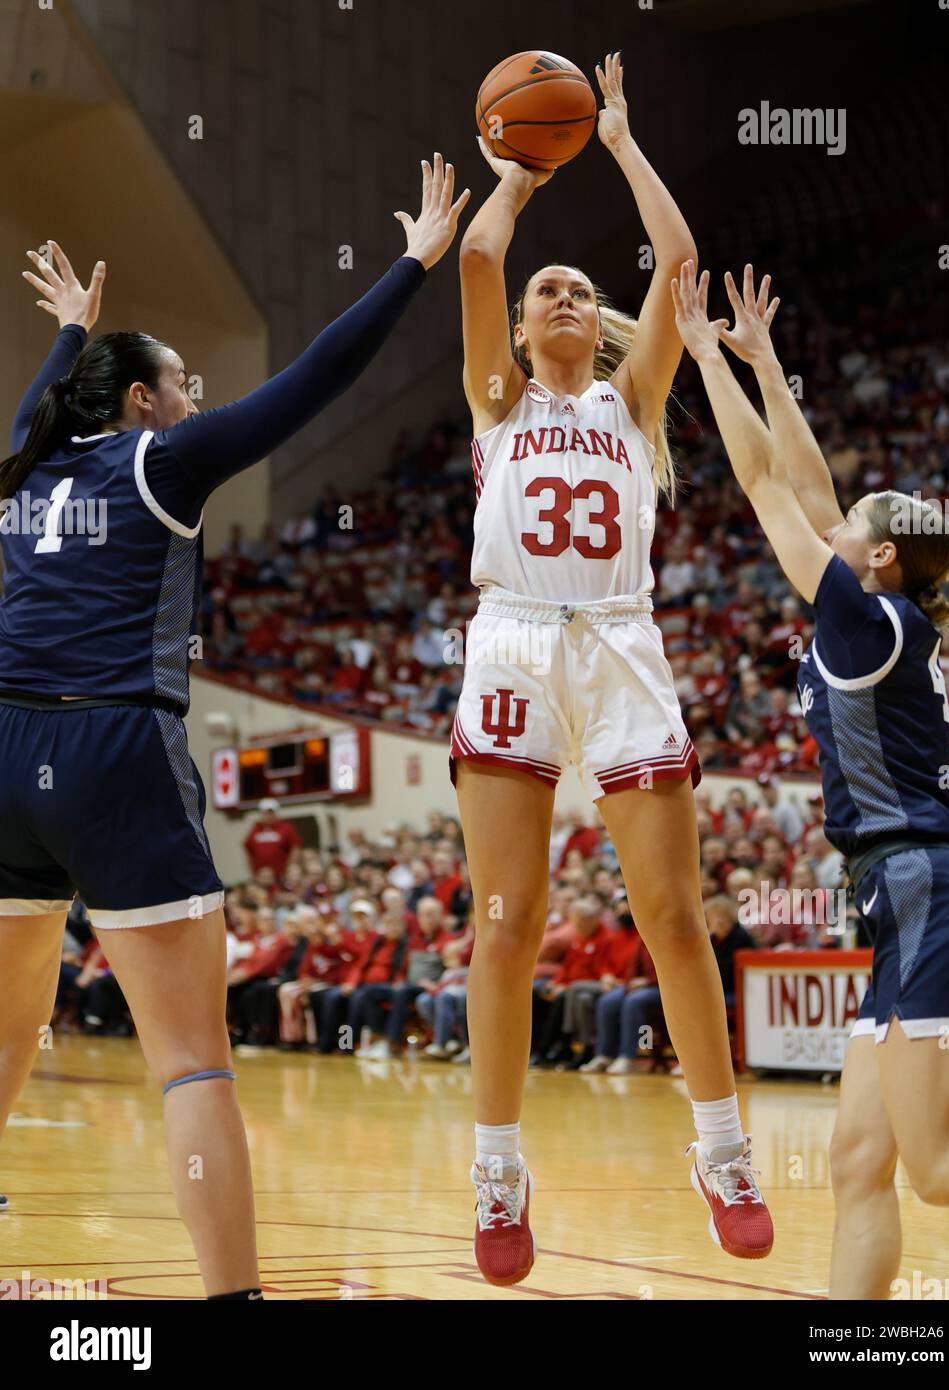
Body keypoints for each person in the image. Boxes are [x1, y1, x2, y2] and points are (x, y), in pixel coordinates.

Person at [0, 158, 468, 1301]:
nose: (199, 394)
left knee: (8, 1031)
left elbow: (34, 409)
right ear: (142, 404)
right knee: (191, 1060)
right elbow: (313, 381)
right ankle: (235, 1301)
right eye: (183, 380)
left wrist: (69, 335)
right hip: (112, 751)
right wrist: (412, 265)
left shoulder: (22, 469)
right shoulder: (162, 459)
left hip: (2, 752)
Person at [452, 53, 772, 1286]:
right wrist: (519, 175)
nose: (567, 297)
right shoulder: (496, 406)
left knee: (673, 918)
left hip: (624, 638)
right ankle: (496, 1168)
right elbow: (479, 260)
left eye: (583, 289)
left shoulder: (637, 403)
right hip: (515, 637)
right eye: (552, 293)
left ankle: (723, 1151)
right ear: (526, 332)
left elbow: (677, 270)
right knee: (507, 924)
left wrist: (624, 142)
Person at [671, 258, 949, 1302]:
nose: (831, 530)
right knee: (861, 1164)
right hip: (902, 898)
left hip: (927, 887)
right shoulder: (879, 608)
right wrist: (764, 358)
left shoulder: (864, 616)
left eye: (852, 528)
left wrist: (695, 350)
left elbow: (767, 486)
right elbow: (807, 490)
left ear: (883, 557)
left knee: (939, 1171)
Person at [243, 799, 302, 879]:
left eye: (271, 812)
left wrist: (289, 870)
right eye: (265, 813)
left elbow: (295, 849)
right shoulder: (255, 829)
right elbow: (248, 851)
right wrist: (253, 874)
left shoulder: (286, 827)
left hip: (281, 876)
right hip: (261, 877)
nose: (268, 815)